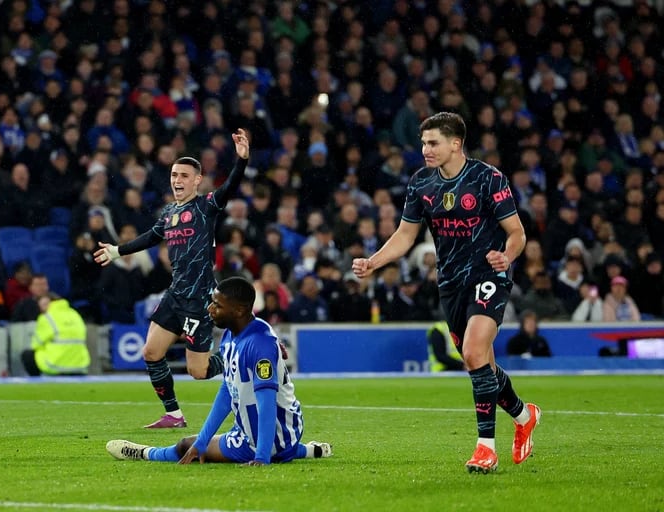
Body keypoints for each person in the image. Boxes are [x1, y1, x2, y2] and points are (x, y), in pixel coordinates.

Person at [351, 112, 541, 474]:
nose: (425, 149)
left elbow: (517, 233)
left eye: (433, 142)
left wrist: (507, 257)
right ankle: (523, 414)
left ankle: (486, 448)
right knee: (477, 361)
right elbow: (406, 235)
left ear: (456, 143)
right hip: (450, 283)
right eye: (423, 143)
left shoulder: (488, 178)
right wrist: (374, 262)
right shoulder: (422, 183)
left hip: (489, 274)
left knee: (472, 351)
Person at [94, 129, 251, 428]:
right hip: (175, 294)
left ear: (196, 180)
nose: (177, 180)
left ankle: (238, 353)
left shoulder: (206, 206)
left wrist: (241, 160)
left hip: (199, 299)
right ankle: (174, 415)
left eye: (183, 176)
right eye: (174, 175)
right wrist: (117, 251)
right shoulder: (169, 213)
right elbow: (151, 237)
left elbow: (229, 188)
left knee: (199, 371)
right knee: (151, 352)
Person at [105, 277, 332, 465]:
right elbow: (228, 390)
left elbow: (267, 403)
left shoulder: (259, 343)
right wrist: (202, 442)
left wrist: (261, 457)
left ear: (240, 309)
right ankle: (309, 450)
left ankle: (144, 453)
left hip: (268, 437)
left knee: (185, 444)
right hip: (268, 431)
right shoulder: (232, 335)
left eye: (217, 305)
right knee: (201, 444)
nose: (210, 309)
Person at [21, 294, 90, 376]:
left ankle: (37, 383)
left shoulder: (46, 317)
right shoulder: (75, 314)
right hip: (80, 366)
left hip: (55, 366)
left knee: (27, 355)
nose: (41, 308)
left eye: (43, 305)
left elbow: (35, 344)